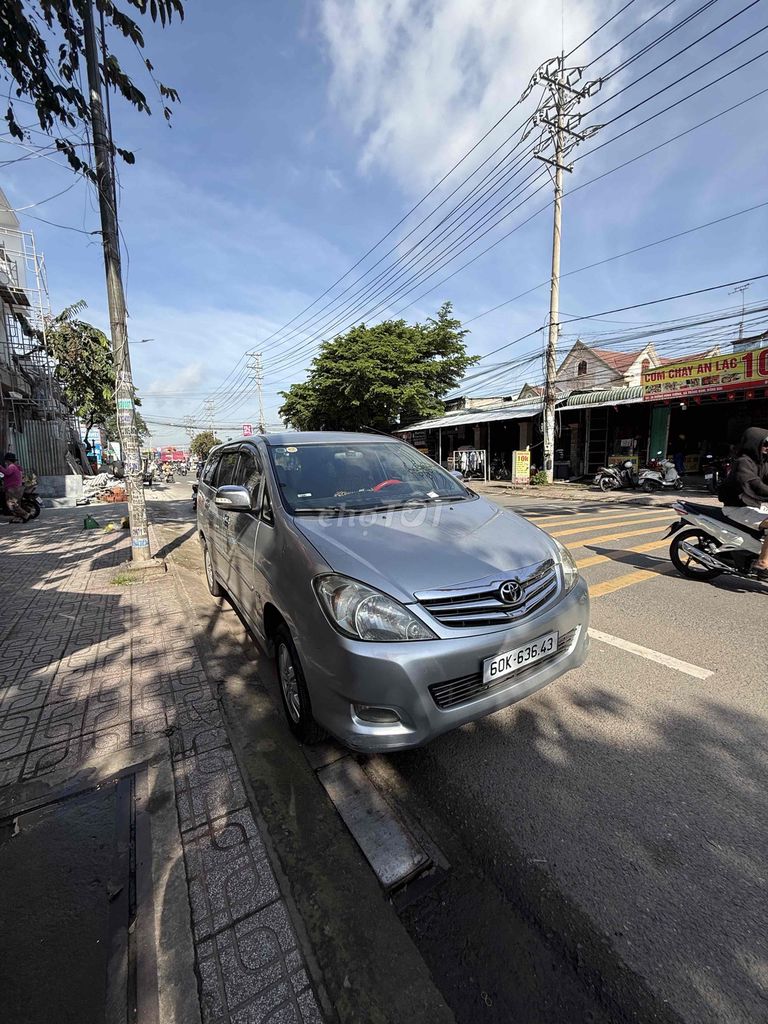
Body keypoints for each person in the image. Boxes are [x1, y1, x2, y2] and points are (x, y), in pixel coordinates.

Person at [719, 427, 768, 581]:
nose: (767, 447)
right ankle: (763, 563)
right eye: (765, 443)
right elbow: (755, 485)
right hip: (736, 508)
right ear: (754, 443)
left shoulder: (762, 462)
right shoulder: (743, 463)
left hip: (752, 506)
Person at [0, 452, 32, 523]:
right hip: (17, 487)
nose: (5, 462)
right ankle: (18, 518)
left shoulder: (11, 466)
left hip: (13, 488)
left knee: (12, 504)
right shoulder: (16, 466)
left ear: (8, 460)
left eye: (6, 461)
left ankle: (25, 514)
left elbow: (7, 473)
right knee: (17, 503)